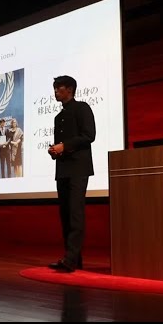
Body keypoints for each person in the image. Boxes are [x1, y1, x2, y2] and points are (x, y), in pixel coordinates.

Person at [47, 75, 96, 272]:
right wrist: (55, 151)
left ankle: (70, 259)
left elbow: (89, 135)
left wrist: (64, 146)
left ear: (70, 89)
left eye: (58, 88)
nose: (55, 92)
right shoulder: (58, 117)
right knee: (65, 214)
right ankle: (73, 258)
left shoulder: (82, 108)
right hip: (63, 169)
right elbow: (61, 145)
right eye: (55, 88)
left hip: (78, 168)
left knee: (75, 213)